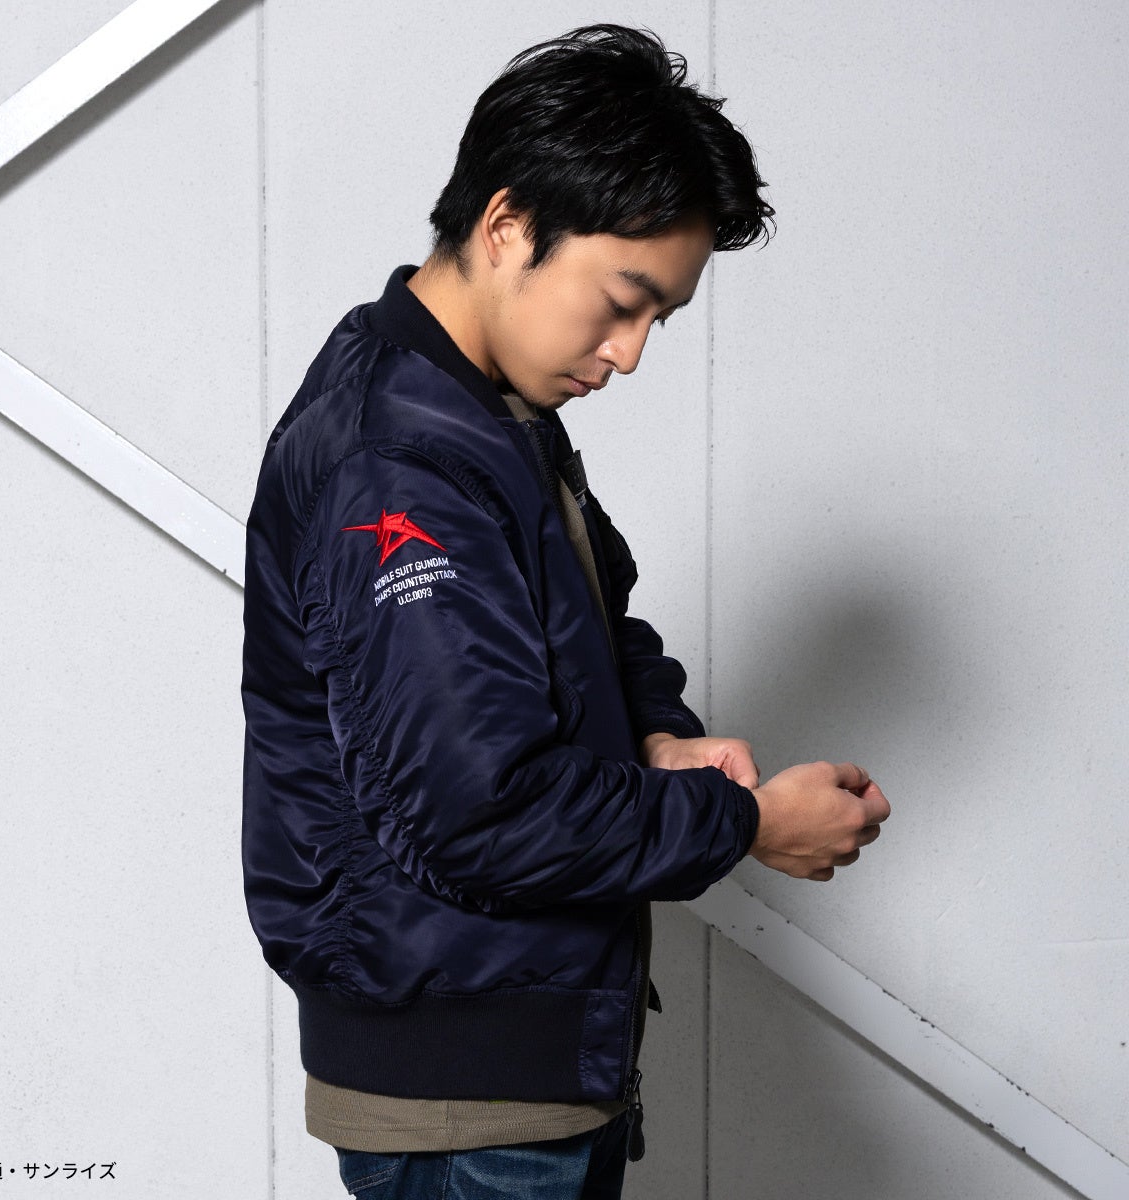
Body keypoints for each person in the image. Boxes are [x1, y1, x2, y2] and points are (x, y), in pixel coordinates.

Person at [241, 23, 890, 1200]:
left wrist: (658, 734)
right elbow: (477, 814)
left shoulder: (482, 414)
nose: (629, 354)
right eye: (622, 303)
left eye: (658, 321)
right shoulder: (402, 463)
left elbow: (589, 622)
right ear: (507, 227)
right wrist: (745, 824)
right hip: (467, 1105)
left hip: (518, 1065)